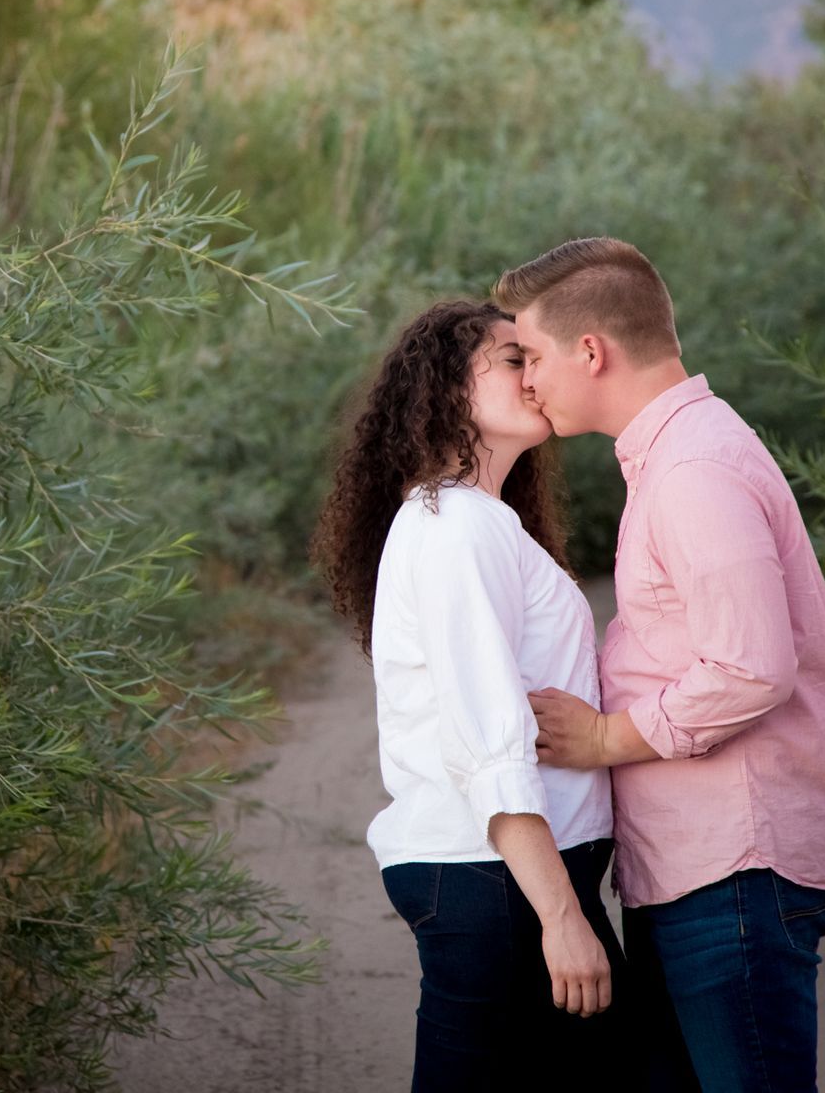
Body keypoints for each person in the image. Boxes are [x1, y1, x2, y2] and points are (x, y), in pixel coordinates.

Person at [495, 237, 825, 1092]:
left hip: (734, 867)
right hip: (700, 869)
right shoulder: (675, 457)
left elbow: (751, 667)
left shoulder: (693, 468)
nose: (527, 380)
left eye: (535, 356)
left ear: (592, 351)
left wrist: (606, 738)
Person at [311, 299, 632, 1091]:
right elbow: (490, 742)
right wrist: (563, 920)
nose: (537, 373)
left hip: (508, 879)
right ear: (448, 391)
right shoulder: (453, 525)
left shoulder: (479, 522)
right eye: (513, 358)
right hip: (500, 881)